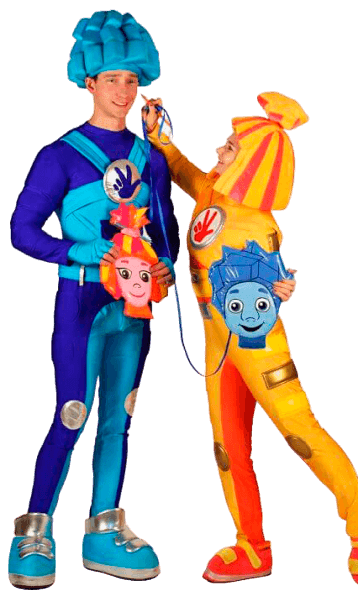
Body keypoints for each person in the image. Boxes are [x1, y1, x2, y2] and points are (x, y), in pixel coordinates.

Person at [142, 91, 358, 592]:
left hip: (258, 349)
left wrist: (284, 286)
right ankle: (251, 546)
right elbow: (181, 170)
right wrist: (159, 135)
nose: (219, 151)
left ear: (253, 165)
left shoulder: (259, 225)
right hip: (217, 347)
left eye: (230, 148)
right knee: (227, 445)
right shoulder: (213, 192)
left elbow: (273, 276)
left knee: (298, 430)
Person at [8, 10, 179, 588]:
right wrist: (80, 251)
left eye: (131, 80)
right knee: (72, 413)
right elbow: (22, 232)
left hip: (136, 310)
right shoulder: (59, 154)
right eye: (111, 79)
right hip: (80, 301)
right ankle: (33, 531)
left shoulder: (152, 156)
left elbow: (163, 228)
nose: (123, 91)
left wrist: (164, 269)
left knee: (119, 418)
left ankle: (105, 526)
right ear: (88, 82)